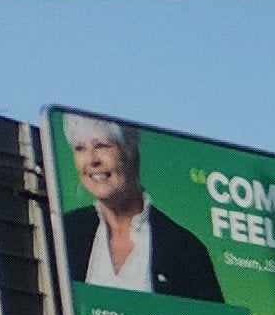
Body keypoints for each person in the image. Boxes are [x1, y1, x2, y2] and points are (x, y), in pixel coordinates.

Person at [60, 118, 226, 302]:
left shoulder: (186, 249)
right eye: (80, 148)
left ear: (130, 151)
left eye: (102, 145)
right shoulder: (63, 231)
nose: (92, 160)